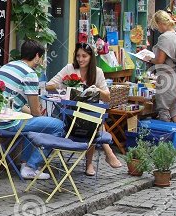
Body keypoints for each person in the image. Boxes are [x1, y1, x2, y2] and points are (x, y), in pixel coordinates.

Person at [46, 42, 123, 176]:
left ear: (91, 57)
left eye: (84, 56)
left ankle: (90, 163)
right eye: (78, 56)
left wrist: (96, 89)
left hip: (86, 117)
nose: (80, 59)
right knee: (93, 118)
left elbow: (107, 97)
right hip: (68, 116)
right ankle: (106, 153)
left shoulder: (97, 72)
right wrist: (65, 84)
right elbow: (49, 86)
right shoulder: (70, 68)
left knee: (91, 117)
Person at [0, 40, 65, 180]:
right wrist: (41, 114)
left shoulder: (8, 66)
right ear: (37, 56)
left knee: (35, 124)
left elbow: (17, 105)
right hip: (9, 123)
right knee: (59, 126)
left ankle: (25, 164)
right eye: (42, 57)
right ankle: (31, 166)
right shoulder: (30, 73)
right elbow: (35, 112)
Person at [145, 10, 176, 123]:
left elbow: (160, 60)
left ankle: (166, 139)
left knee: (163, 110)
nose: (157, 29)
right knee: (172, 109)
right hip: (174, 75)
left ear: (160, 23)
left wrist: (148, 58)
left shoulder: (165, 37)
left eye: (156, 26)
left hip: (166, 78)